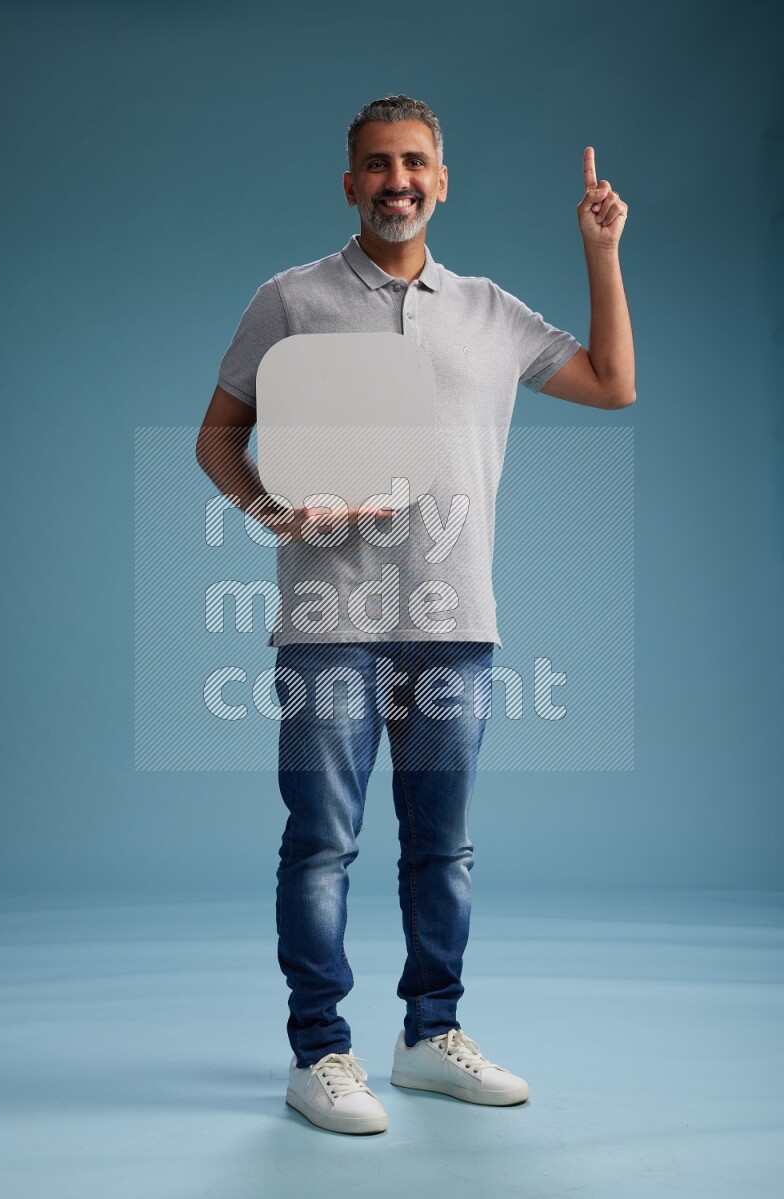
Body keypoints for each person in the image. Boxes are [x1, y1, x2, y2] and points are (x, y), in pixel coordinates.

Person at [196, 95, 634, 1136]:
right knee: (321, 843)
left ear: (440, 180)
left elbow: (613, 384)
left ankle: (429, 1035)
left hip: (454, 621)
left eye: (413, 163)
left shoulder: (489, 311)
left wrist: (600, 251)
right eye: (377, 164)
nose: (396, 180)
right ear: (349, 182)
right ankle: (320, 1050)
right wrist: (271, 511)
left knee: (444, 847)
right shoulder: (290, 299)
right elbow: (218, 437)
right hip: (327, 622)